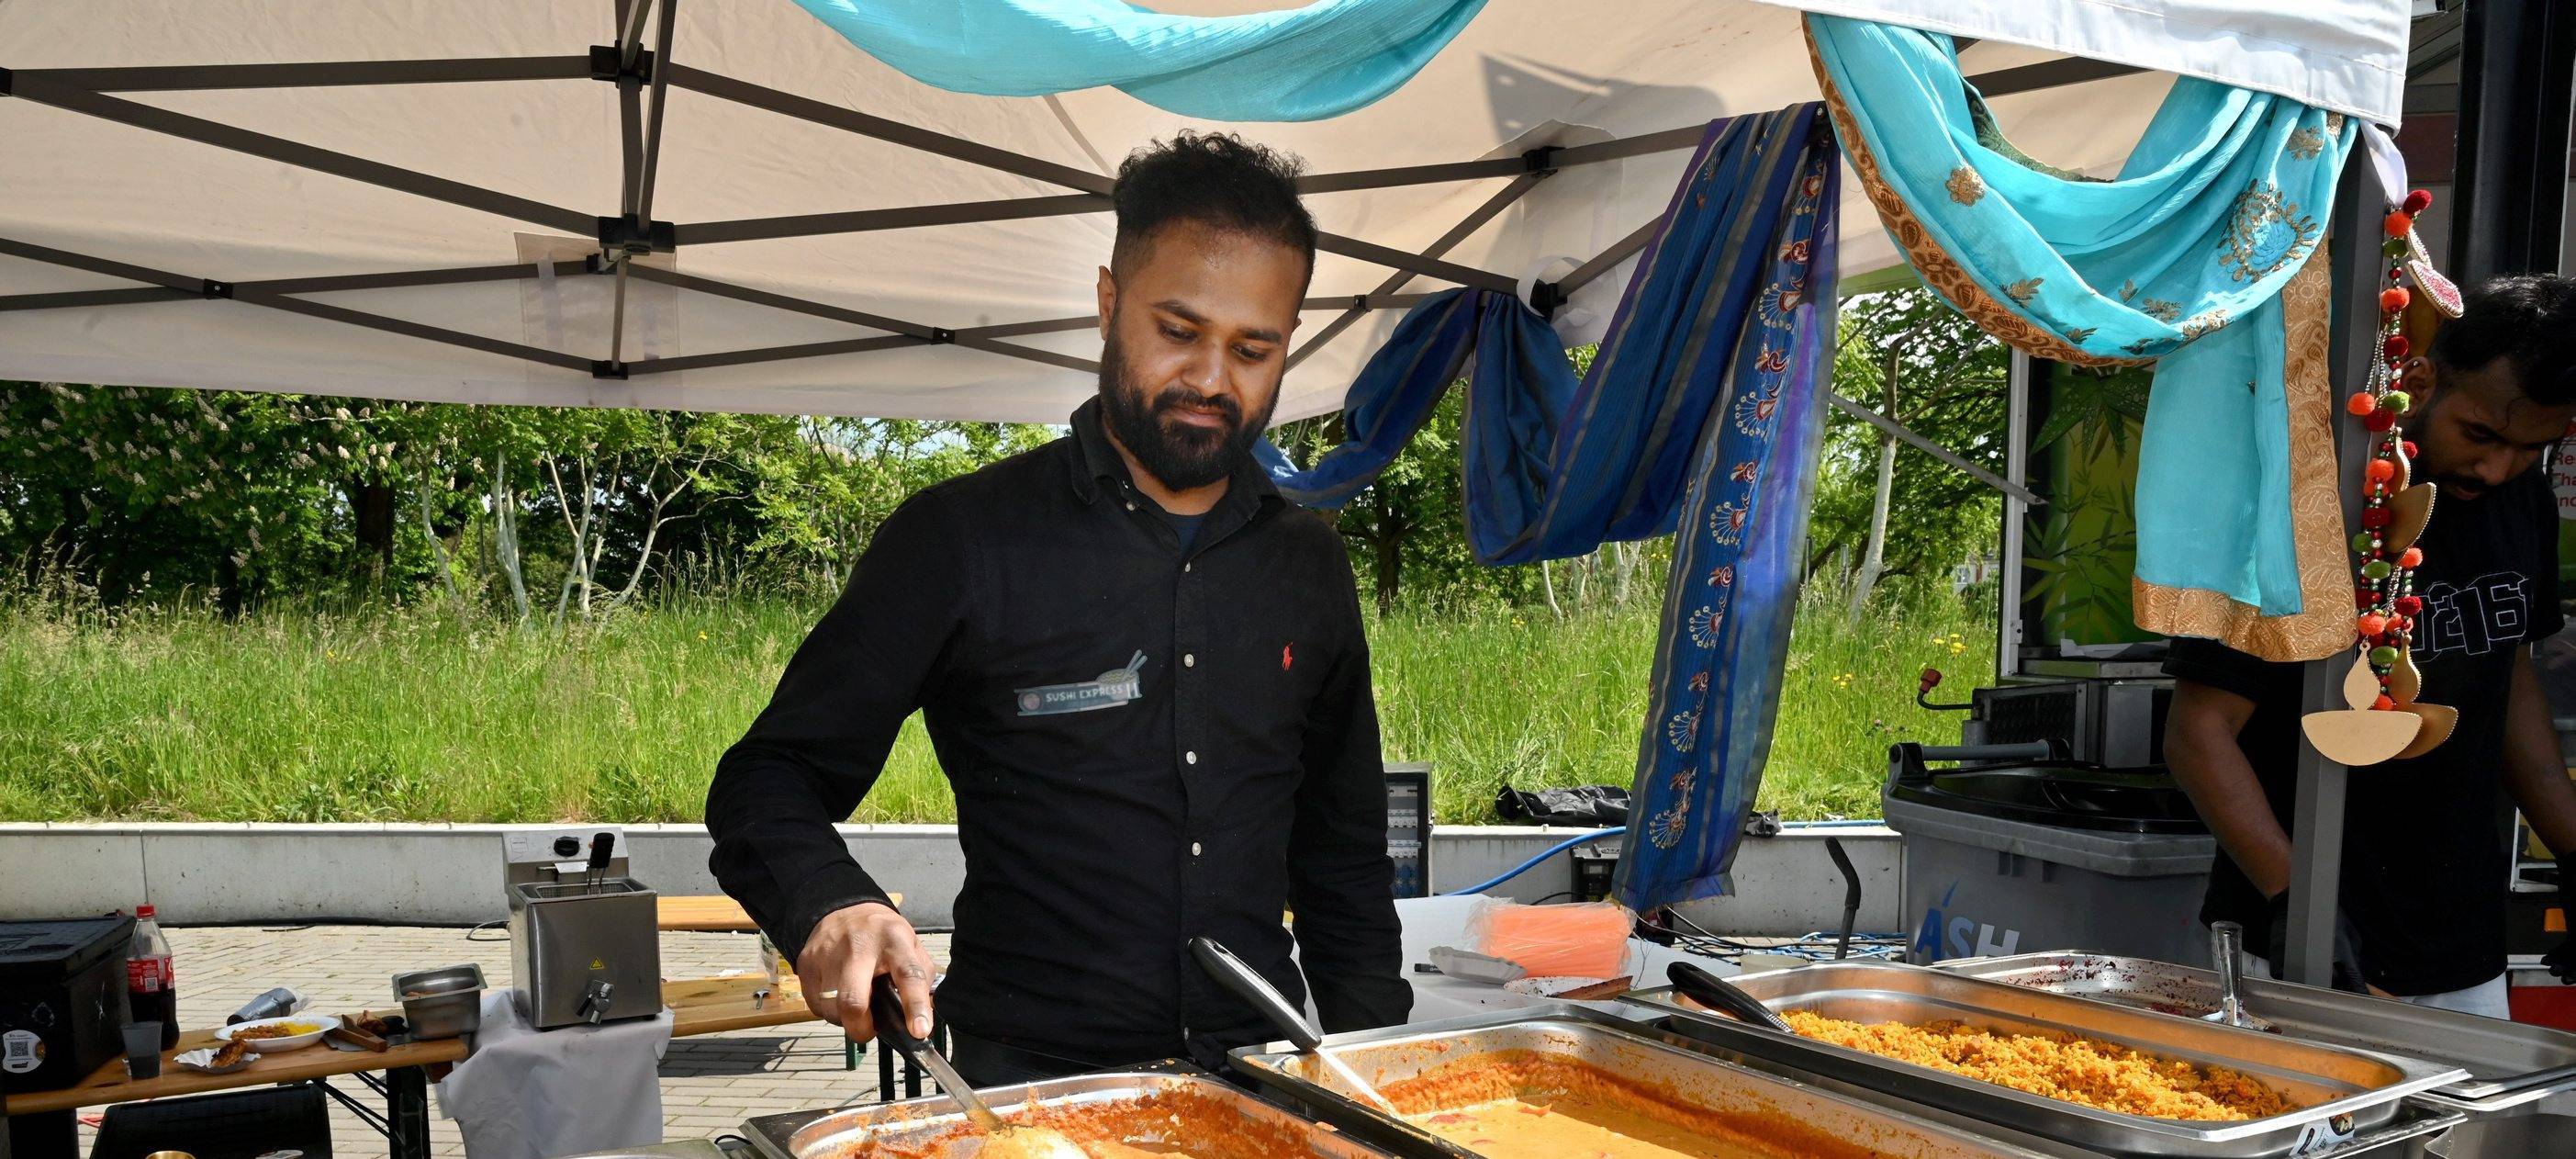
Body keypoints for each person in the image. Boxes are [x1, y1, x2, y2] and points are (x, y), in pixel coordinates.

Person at [704, 131, 1410, 1082]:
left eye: (1254, 347)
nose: (1211, 378)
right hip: (1029, 1086)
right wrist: (829, 901)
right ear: (1110, 303)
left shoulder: (1307, 563)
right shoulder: (963, 538)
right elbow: (768, 776)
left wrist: (1384, 1083)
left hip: (1261, 1082)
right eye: (1177, 330)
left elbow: (1344, 865)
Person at [2163, 275, 2576, 1014]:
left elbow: (2505, 682)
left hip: (2463, 941)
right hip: (2302, 937)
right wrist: (2295, 902)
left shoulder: (2523, 502)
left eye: (2531, 448)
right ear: (2419, 379)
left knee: (2465, 1132)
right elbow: (2199, 732)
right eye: (2479, 434)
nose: (2497, 468)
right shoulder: (2306, 502)